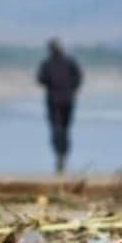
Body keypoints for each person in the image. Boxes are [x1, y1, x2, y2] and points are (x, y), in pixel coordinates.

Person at [36, 39, 83, 174]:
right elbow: (78, 77)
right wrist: (71, 88)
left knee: (58, 129)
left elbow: (40, 80)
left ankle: (60, 154)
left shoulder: (48, 63)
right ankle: (62, 155)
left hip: (55, 101)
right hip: (66, 100)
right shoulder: (68, 62)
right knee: (64, 129)